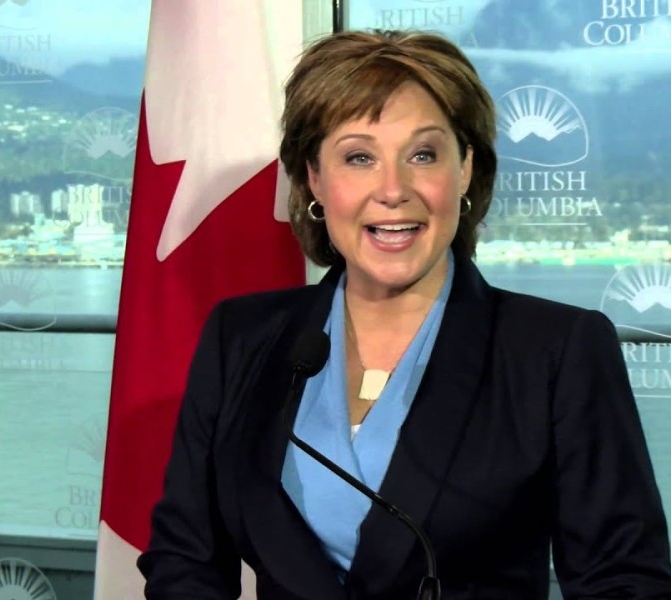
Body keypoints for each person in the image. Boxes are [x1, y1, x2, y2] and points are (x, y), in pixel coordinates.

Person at [137, 30, 671, 599]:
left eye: (423, 155)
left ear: (465, 169)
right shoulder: (242, 338)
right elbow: (185, 561)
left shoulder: (556, 349)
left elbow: (624, 581)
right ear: (314, 177)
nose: (393, 190)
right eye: (359, 158)